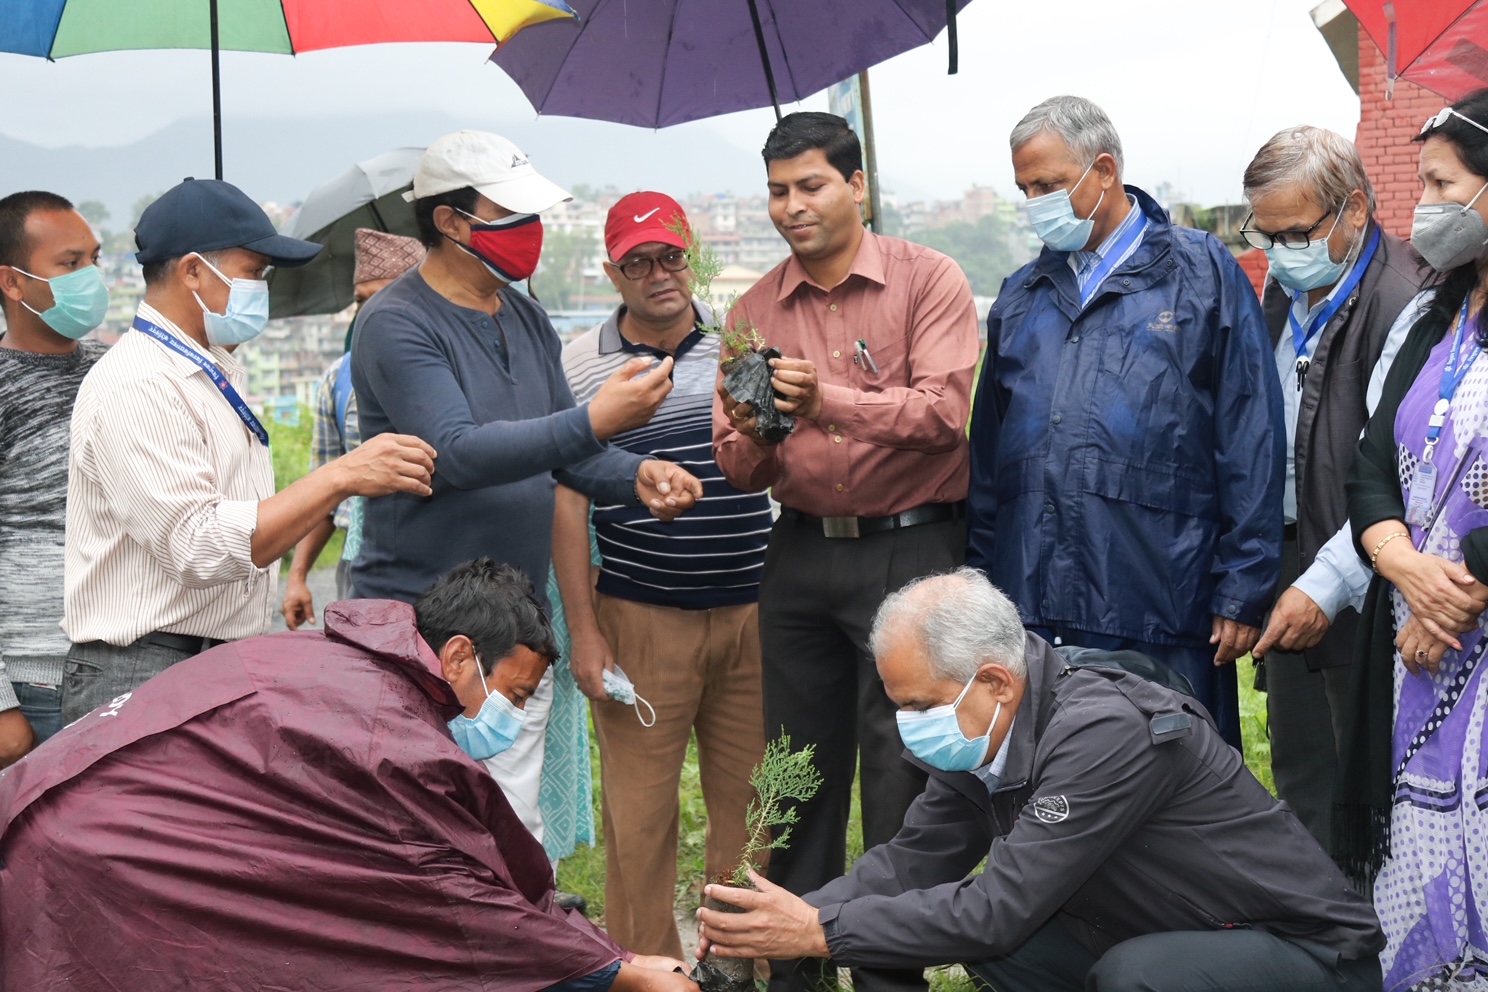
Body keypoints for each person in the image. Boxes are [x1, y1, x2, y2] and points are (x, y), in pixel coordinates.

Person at [0, 558, 696, 992]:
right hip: (90, 858)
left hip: (50, 800)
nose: (509, 720)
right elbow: (454, 904)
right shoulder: (386, 731)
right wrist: (618, 972)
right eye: (511, 696)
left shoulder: (332, 660)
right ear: (458, 657)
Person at [695, 568, 1386, 992]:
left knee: (1126, 973)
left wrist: (821, 930)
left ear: (994, 680)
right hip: (1175, 929)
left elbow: (1000, 906)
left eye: (917, 705)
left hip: (1309, 959)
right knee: (1007, 950)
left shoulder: (1100, 733)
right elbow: (909, 864)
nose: (906, 726)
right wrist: (778, 918)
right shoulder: (991, 734)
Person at [350, 131, 704, 846]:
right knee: (425, 832)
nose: (529, 233)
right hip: (426, 625)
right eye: (509, 214)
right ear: (450, 222)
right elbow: (455, 452)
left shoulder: (525, 317)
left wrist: (635, 477)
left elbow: (559, 460)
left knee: (512, 828)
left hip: (515, 624)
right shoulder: (397, 323)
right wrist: (594, 421)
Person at [712, 111, 980, 992]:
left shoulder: (925, 279)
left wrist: (829, 400)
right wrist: (756, 428)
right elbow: (739, 464)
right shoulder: (752, 311)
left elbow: (944, 414)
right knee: (794, 776)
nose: (793, 206)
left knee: (902, 774)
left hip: (912, 547)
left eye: (812, 186)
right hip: (797, 558)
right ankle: (796, 972)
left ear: (857, 185)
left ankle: (888, 971)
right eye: (779, 192)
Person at [60, 178, 438, 725]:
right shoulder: (140, 383)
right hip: (146, 666)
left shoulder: (207, 370)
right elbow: (199, 547)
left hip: (208, 655)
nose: (261, 288)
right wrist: (340, 477)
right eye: (253, 273)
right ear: (192, 271)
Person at [969, 95, 1284, 748]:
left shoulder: (1201, 275)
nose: (1035, 201)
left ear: (1104, 170)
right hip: (1035, 603)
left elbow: (1250, 433)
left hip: (1164, 595)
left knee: (1175, 794)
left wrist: (1244, 583)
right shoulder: (1021, 298)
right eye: (1025, 188)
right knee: (1055, 800)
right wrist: (984, 588)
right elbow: (990, 463)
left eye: (1050, 185)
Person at [557, 191, 772, 958]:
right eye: (637, 262)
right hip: (642, 617)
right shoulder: (582, 365)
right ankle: (651, 970)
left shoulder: (741, 345)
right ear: (613, 272)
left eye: (670, 256)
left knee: (753, 813)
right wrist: (585, 633)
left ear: (692, 256)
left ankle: (734, 965)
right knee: (640, 821)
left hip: (751, 611)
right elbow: (567, 499)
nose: (658, 275)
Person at [1239, 127, 1432, 854]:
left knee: (1367, 772)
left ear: (1354, 210)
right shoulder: (1281, 288)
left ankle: (1371, 933)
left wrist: (1332, 580)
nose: (1281, 248)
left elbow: (1390, 469)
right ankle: (1318, 931)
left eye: (1296, 232)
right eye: (1267, 232)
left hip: (1368, 568)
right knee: (1303, 763)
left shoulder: (1402, 299)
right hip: (1292, 551)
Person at [1342, 89, 1488, 992]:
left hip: (1461, 629)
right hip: (1411, 648)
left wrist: (1456, 591)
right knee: (1418, 868)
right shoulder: (1431, 316)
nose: (1421, 208)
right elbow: (1370, 461)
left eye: (1440, 183)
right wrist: (1397, 559)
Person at [0, 191, 108, 765]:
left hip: (126, 666)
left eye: (94, 260)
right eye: (69, 264)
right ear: (13, 283)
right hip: (35, 682)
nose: (89, 276)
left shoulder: (116, 371)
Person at [282, 228, 427, 629]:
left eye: (385, 295)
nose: (371, 312)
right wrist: (297, 577)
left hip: (434, 558)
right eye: (362, 300)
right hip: (360, 560)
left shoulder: (443, 371)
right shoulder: (338, 379)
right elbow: (327, 488)